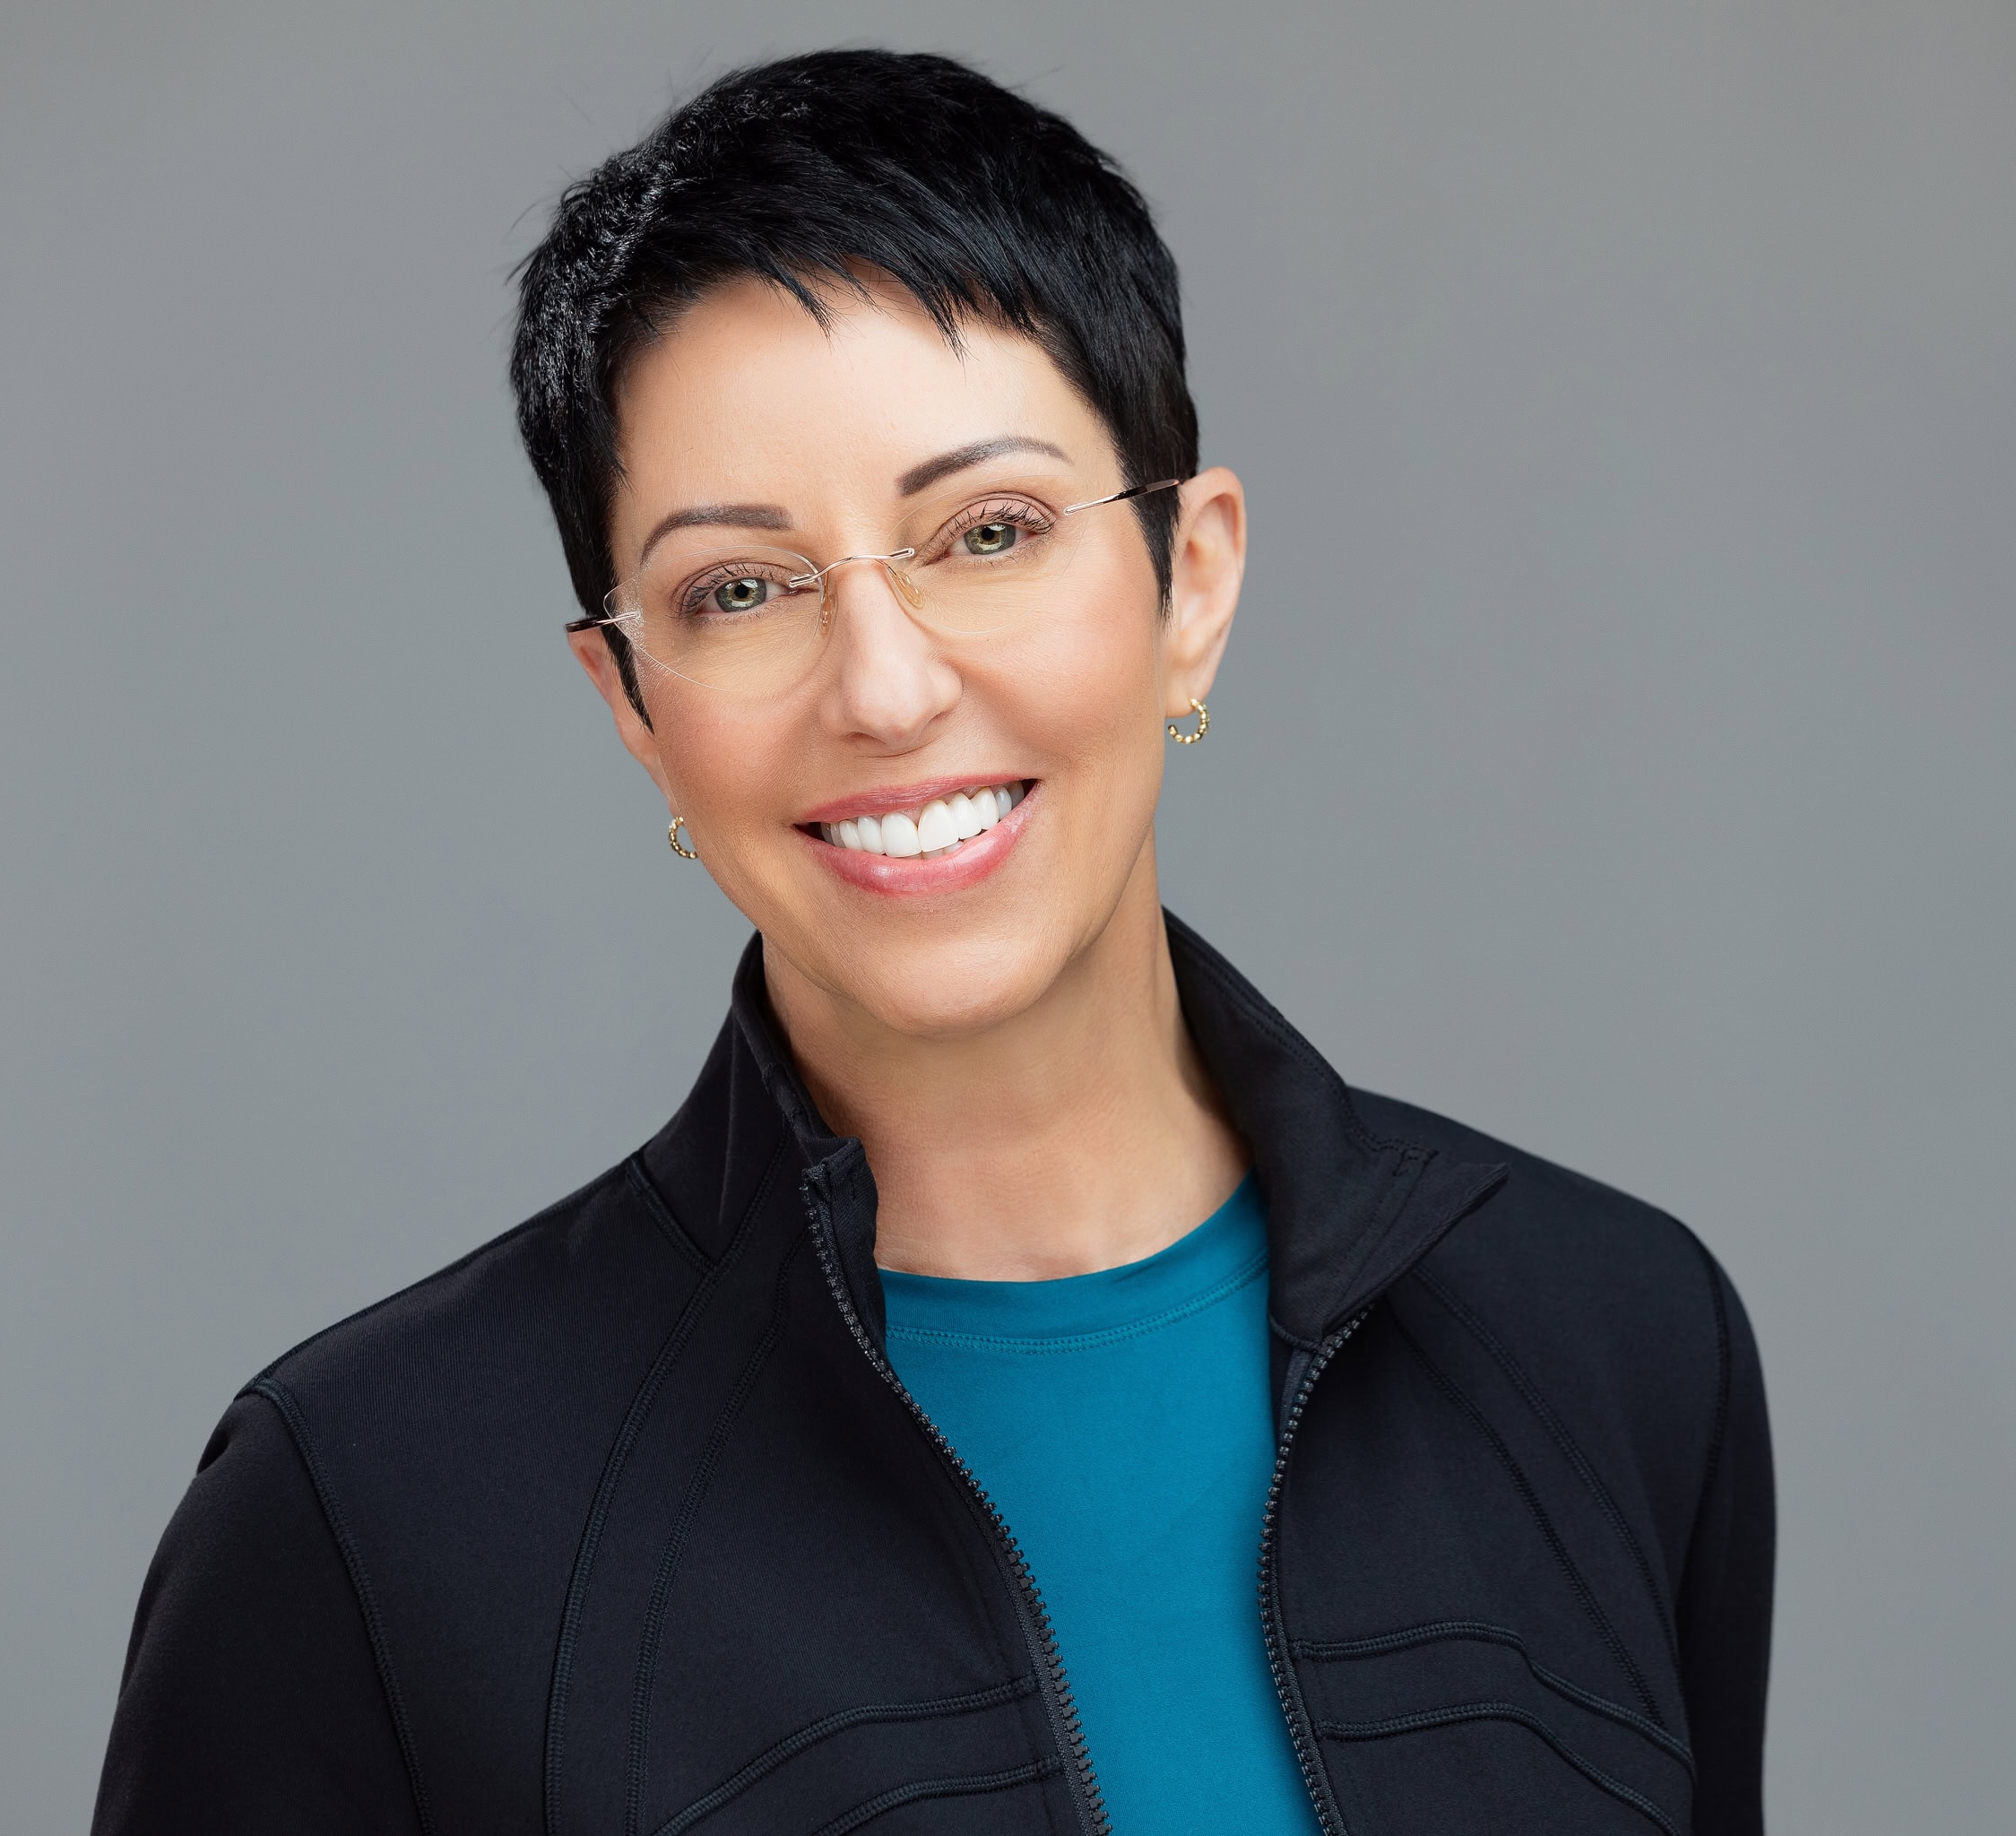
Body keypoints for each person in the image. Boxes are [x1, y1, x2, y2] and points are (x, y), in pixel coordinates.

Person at [93, 48, 1772, 1836]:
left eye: (984, 532)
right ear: (629, 700)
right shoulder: (374, 1515)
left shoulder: (1607, 1340)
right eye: (736, 589)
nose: (884, 691)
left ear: (1187, 583)